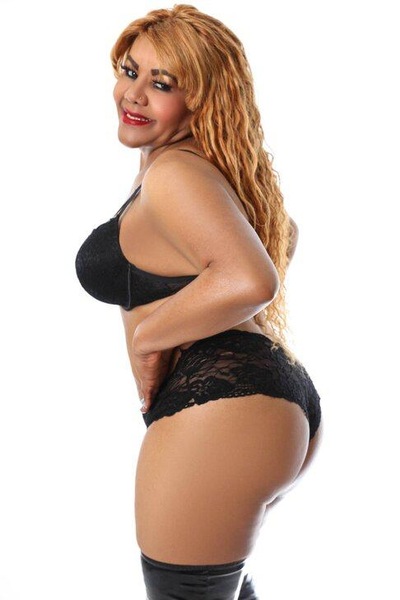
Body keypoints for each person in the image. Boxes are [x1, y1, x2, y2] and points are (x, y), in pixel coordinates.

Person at [75, 5, 323, 599]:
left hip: (222, 407)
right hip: (257, 401)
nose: (133, 94)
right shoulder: (200, 169)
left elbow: (251, 279)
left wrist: (149, 337)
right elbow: (283, 235)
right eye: (130, 71)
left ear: (201, 99)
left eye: (162, 84)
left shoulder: (175, 176)